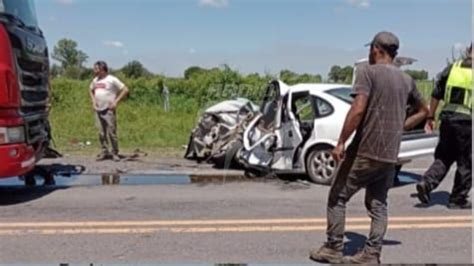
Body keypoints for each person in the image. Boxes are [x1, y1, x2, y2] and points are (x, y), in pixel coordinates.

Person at [309, 31, 428, 264]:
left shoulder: (367, 73)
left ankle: (333, 247)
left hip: (365, 150)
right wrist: (401, 126)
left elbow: (358, 108)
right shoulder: (406, 80)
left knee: (337, 196)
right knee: (378, 203)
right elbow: (424, 110)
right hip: (389, 154)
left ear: (375, 49)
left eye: (369, 49)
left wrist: (342, 141)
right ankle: (372, 254)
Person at [416, 44, 472, 209]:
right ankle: (457, 198)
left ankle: (427, 182)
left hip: (447, 119)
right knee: (465, 162)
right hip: (466, 122)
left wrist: (430, 116)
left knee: (444, 156)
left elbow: (436, 93)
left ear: (469, 50)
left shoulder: (453, 68)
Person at [89, 61, 129, 162]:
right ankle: (104, 152)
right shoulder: (95, 80)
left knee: (112, 132)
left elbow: (125, 90)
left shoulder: (112, 79)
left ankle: (115, 152)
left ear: (102, 69)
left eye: (96, 69)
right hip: (98, 109)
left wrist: (116, 102)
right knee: (101, 133)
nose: (94, 71)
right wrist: (93, 102)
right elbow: (91, 90)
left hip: (109, 110)